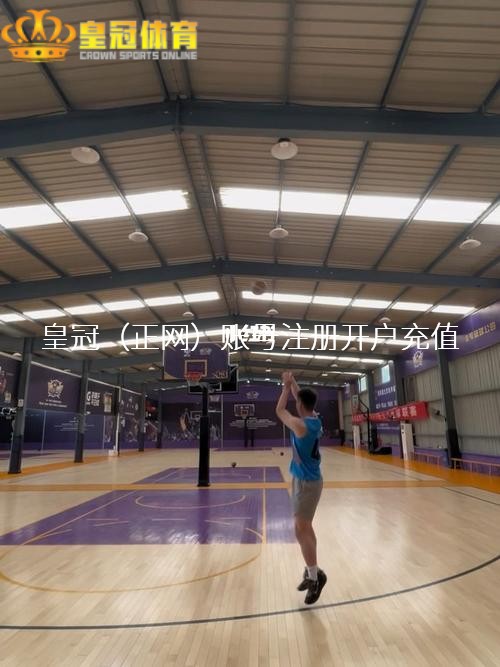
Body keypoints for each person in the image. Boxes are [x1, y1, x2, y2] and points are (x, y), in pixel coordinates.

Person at [275, 371, 327, 605]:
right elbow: (301, 398)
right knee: (302, 528)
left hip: (307, 483)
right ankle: (312, 570)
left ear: (300, 405)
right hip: (304, 480)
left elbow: (280, 411)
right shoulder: (315, 420)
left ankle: (315, 578)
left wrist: (285, 388)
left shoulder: (300, 426)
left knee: (301, 528)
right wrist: (292, 382)